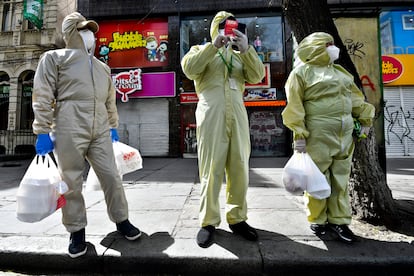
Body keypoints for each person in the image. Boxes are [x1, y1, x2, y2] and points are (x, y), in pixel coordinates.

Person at [32, 12, 141, 258]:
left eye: (90, 31)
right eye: (82, 30)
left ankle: (121, 220)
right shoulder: (54, 58)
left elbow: (110, 100)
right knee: (71, 181)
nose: (89, 35)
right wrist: (42, 130)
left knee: (112, 176)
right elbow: (42, 94)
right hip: (68, 122)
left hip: (100, 127)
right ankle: (76, 230)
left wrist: (112, 126)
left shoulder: (103, 68)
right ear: (70, 32)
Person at [181, 11, 265, 248]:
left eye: (232, 26)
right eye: (223, 26)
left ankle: (237, 219)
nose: (228, 31)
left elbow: (257, 75)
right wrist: (213, 47)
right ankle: (208, 222)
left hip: (237, 114)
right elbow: (189, 69)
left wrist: (247, 49)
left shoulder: (241, 55)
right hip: (212, 114)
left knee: (239, 167)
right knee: (211, 168)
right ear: (215, 29)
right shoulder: (201, 50)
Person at [282, 32, 375, 243]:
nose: (333, 48)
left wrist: (365, 120)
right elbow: (295, 106)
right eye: (328, 44)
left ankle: (339, 221)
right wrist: (299, 136)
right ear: (316, 48)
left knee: (340, 181)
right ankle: (318, 220)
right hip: (318, 135)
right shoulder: (301, 74)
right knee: (316, 179)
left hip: (344, 135)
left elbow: (355, 99)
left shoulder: (341, 73)